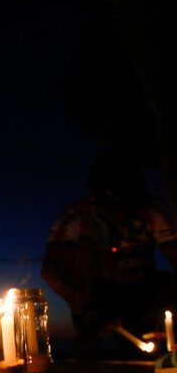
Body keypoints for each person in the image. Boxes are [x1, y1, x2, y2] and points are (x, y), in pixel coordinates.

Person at [41, 153, 177, 357]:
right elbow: (50, 270)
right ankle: (87, 338)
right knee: (82, 249)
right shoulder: (76, 217)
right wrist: (86, 303)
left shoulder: (153, 211)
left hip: (143, 285)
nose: (121, 215)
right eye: (114, 206)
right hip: (97, 291)